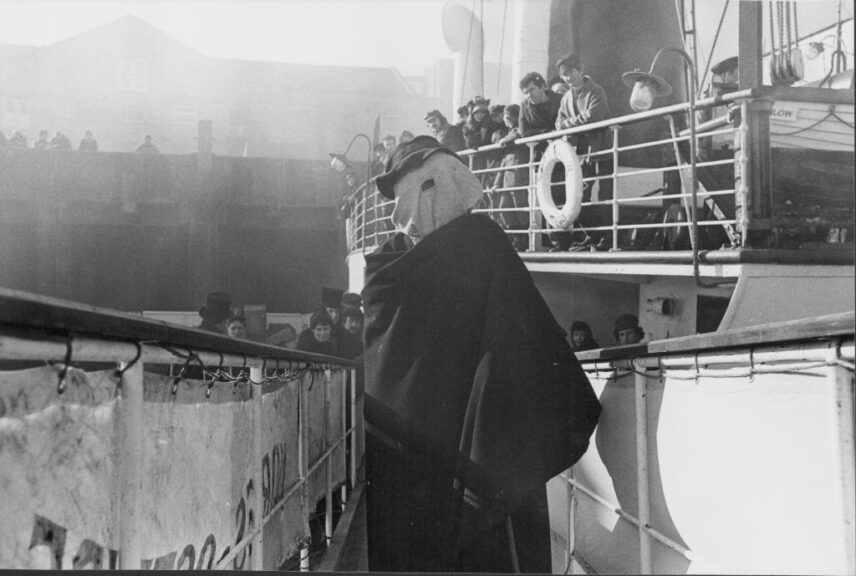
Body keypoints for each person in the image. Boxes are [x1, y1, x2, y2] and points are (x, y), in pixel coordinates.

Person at [363, 135, 602, 572]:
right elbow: (530, 347)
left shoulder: (386, 271)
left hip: (405, 458)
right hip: (479, 451)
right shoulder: (481, 246)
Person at [555, 52, 614, 251]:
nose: (567, 78)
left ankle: (609, 237)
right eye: (564, 75)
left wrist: (568, 124)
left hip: (601, 150)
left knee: (606, 195)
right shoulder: (566, 98)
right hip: (579, 155)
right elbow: (558, 123)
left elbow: (593, 117)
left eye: (570, 72)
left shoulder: (596, 91)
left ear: (580, 71)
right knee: (580, 196)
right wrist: (568, 124)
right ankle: (591, 235)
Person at [491, 103, 530, 250]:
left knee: (520, 208)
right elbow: (503, 163)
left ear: (514, 117)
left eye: (507, 118)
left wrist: (504, 140)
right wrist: (496, 183)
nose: (505, 121)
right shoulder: (508, 135)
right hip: (509, 178)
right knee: (504, 208)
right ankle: (516, 237)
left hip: (519, 176)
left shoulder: (519, 131)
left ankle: (524, 239)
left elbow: (519, 133)